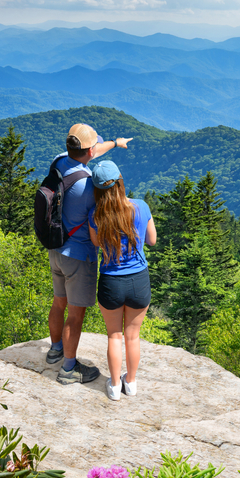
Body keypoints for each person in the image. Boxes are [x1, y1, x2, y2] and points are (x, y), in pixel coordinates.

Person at [46, 124, 131, 385]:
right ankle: (69, 370)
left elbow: (91, 151)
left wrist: (116, 143)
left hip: (56, 248)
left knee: (58, 302)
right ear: (90, 150)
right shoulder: (89, 185)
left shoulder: (60, 161)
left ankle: (55, 350)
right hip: (79, 255)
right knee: (75, 314)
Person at [87, 160, 156, 401]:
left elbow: (96, 244)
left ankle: (115, 386)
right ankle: (132, 382)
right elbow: (152, 240)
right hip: (139, 280)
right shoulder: (141, 206)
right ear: (120, 182)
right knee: (133, 336)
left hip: (110, 282)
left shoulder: (95, 215)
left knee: (114, 335)